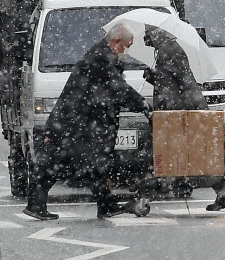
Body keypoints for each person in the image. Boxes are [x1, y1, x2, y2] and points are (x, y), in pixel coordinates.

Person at [23, 24, 149, 220]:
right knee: (65, 163)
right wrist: (142, 104)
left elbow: (113, 88)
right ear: (116, 42)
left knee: (89, 165)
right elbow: (118, 88)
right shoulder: (101, 58)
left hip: (77, 121)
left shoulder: (102, 55)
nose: (127, 51)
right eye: (126, 46)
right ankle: (37, 205)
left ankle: (105, 205)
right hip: (77, 123)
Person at [142, 26, 225, 211]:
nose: (145, 36)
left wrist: (203, 111)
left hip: (174, 114)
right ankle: (222, 191)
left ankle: (146, 195)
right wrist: (153, 78)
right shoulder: (165, 50)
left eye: (148, 32)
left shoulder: (171, 50)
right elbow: (170, 82)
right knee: (187, 154)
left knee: (168, 152)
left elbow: (186, 81)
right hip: (170, 112)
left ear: (157, 32)